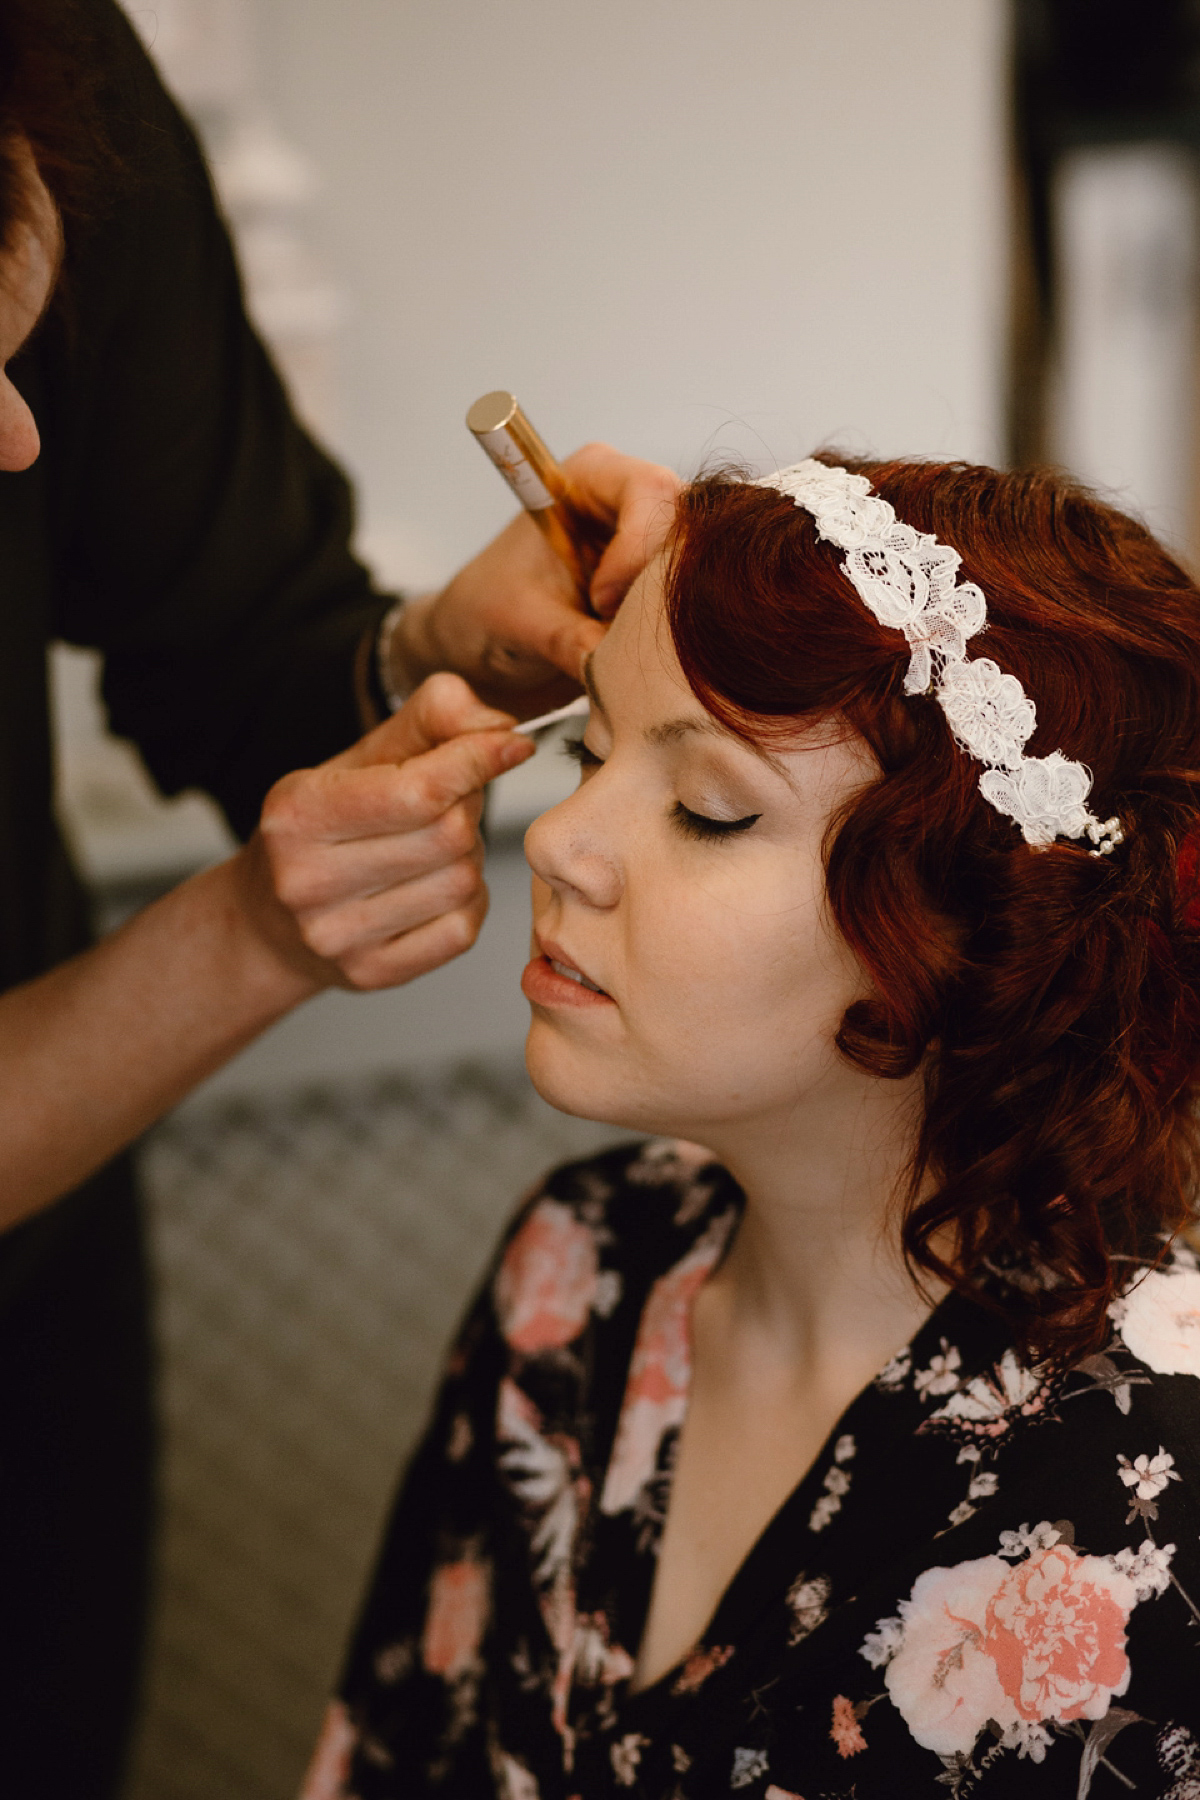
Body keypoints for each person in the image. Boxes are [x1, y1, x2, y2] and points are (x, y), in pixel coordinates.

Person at [0, 0, 678, 1792]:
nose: (16, 446)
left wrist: (414, 653)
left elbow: (222, 629)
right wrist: (240, 935)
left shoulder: (52, 64)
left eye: (716, 808)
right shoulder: (570, 1292)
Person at [303, 455, 1200, 1799]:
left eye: (707, 809)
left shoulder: (1143, 1494)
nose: (559, 842)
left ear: (964, 929)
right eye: (587, 750)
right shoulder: (587, 1259)